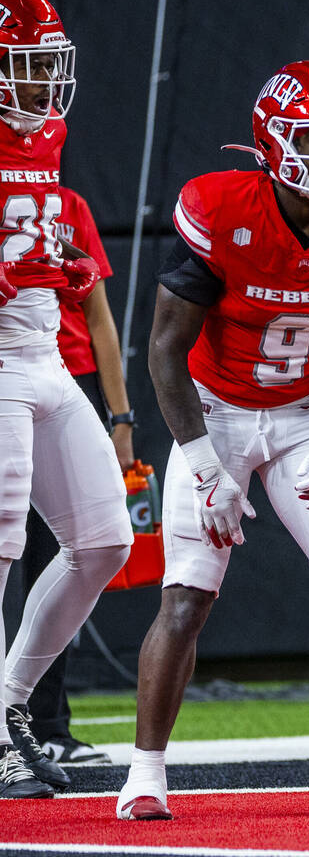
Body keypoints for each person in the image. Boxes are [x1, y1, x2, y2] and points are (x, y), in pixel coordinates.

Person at [115, 61, 309, 820]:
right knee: (187, 594)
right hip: (211, 410)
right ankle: (144, 773)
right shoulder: (219, 208)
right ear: (274, 143)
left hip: (305, 410)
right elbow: (162, 351)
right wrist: (206, 463)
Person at [0, 0, 131, 800]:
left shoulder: (46, 131)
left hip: (46, 354)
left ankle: (9, 703)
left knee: (106, 541)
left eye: (49, 63)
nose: (44, 80)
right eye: (27, 63)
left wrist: (65, 268)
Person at [20, 184, 137, 768]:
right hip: (11, 374)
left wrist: (120, 417)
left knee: (83, 547)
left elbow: (99, 317)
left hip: (67, 381)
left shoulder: (67, 205)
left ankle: (43, 721)